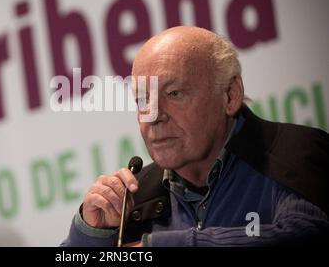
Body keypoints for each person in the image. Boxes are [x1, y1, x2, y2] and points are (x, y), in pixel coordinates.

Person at [61, 26, 329, 246]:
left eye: (174, 93)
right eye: (143, 99)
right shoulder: (134, 197)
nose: (153, 115)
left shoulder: (294, 153)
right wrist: (92, 234)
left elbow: (305, 234)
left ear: (230, 95)